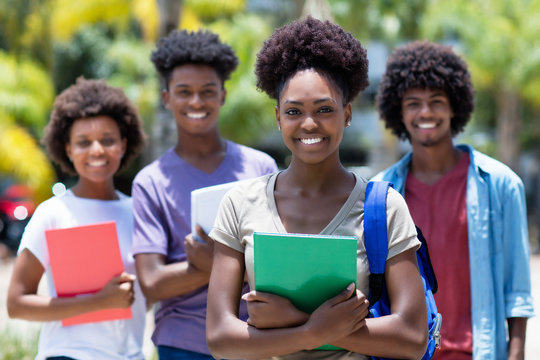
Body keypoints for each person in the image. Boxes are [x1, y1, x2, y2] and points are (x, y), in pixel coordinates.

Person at [206, 16, 428, 360]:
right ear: (278, 117)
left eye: (325, 109)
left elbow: (413, 337)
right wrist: (314, 330)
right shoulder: (240, 203)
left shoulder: (383, 207)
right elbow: (220, 337)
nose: (309, 124)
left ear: (348, 113)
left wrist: (300, 324)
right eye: (294, 111)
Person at [373, 40, 535, 360]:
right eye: (413, 103)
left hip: (478, 352)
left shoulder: (501, 185)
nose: (426, 113)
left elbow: (517, 292)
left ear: (454, 106)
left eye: (436, 101)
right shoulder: (381, 192)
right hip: (406, 353)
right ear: (398, 111)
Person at [131, 29, 278, 359]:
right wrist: (216, 266)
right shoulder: (150, 182)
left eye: (207, 91)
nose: (196, 102)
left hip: (253, 337)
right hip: (182, 342)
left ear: (222, 95)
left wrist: (211, 264)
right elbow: (152, 283)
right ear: (166, 97)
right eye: (184, 92)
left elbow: (277, 261)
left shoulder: (261, 168)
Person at [6, 77, 147, 360]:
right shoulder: (52, 214)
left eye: (107, 140)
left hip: (130, 355)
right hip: (68, 354)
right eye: (83, 142)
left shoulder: (140, 212)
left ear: (122, 144)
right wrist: (99, 302)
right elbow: (17, 303)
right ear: (68, 150)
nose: (96, 150)